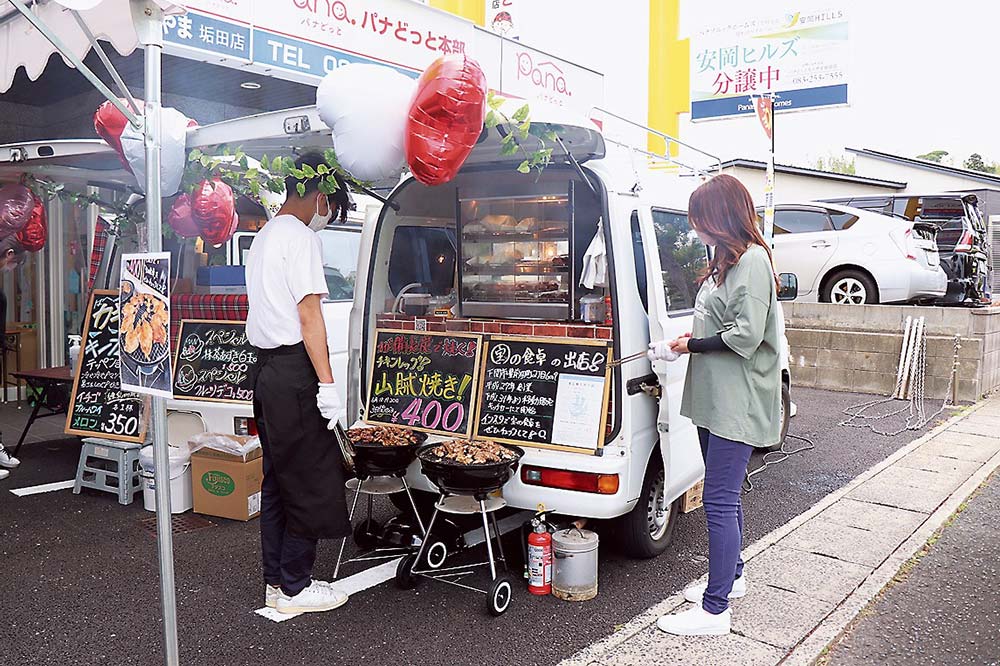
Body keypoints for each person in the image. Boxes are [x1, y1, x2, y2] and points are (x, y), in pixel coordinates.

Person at [649, 174, 782, 636]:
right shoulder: (727, 262)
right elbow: (718, 324)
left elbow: (746, 334)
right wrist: (687, 341)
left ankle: (714, 610)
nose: (696, 230)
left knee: (719, 502)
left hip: (737, 402)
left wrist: (689, 347)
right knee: (724, 496)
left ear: (721, 218)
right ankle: (734, 577)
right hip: (715, 397)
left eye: (700, 220)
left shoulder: (753, 264)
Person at [246, 153, 352, 615]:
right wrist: (328, 385)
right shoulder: (301, 239)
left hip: (266, 373)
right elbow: (310, 318)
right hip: (293, 375)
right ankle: (295, 585)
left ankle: (277, 581)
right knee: (308, 478)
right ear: (320, 196)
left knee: (278, 480)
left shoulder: (264, 236)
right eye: (330, 206)